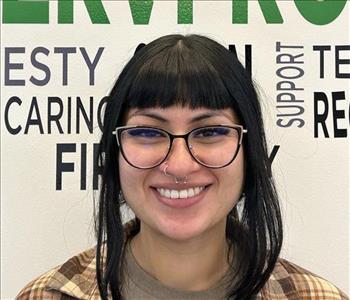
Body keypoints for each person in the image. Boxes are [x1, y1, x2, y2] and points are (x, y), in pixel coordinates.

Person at [17, 34, 348, 300]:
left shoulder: (313, 295)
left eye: (210, 132)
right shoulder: (47, 295)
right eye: (147, 132)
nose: (179, 165)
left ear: (249, 151)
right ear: (114, 152)